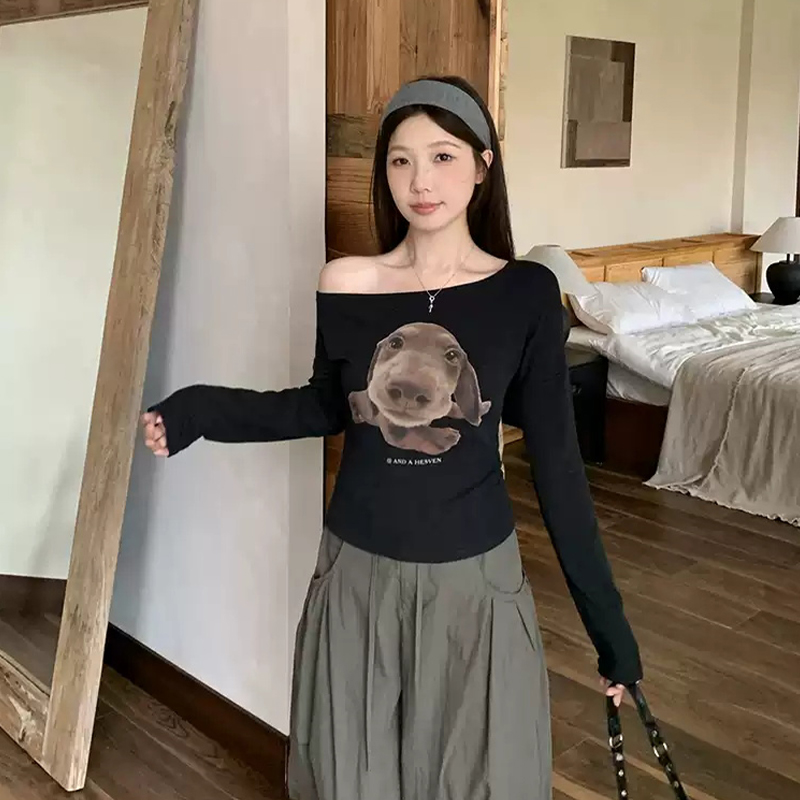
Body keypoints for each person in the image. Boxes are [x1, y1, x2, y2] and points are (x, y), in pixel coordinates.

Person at [141, 75, 643, 800]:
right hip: (357, 576)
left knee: (482, 780)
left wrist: (610, 631)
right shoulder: (348, 282)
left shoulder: (526, 292)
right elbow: (322, 407)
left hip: (476, 585)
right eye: (400, 160)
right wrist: (199, 410)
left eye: (442, 157)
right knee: (351, 777)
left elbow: (559, 467)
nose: (420, 181)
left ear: (483, 165)